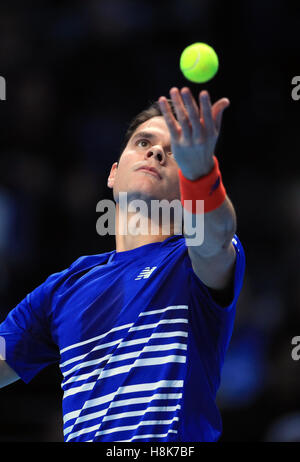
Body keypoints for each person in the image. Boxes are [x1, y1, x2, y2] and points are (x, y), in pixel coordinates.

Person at [0, 86, 245, 442]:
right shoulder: (63, 289)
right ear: (114, 173)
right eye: (143, 142)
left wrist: (202, 171)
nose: (157, 151)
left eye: (175, 152)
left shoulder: (189, 262)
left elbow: (217, 235)